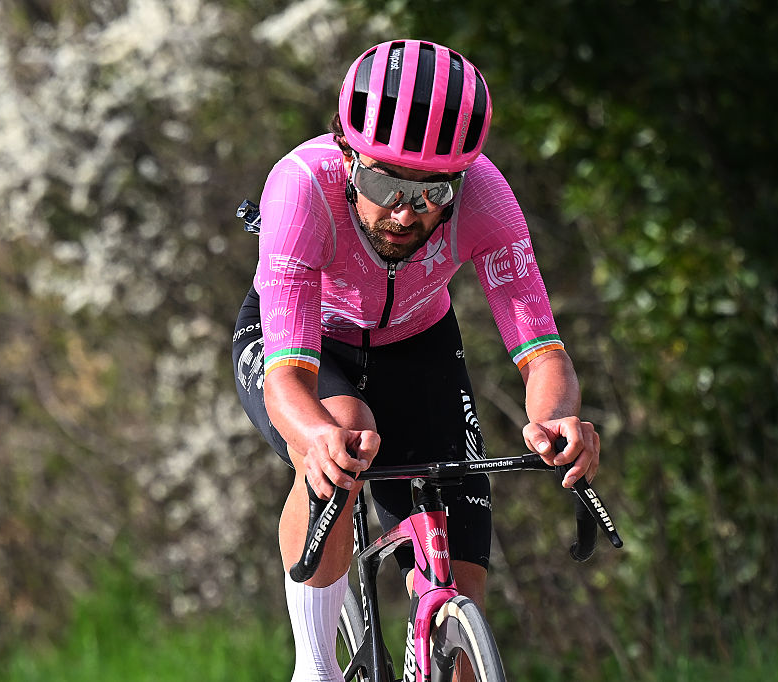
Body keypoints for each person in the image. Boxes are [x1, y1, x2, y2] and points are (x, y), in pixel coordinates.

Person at [232, 39, 600, 682]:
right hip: (307, 343)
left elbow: (543, 352)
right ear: (347, 155)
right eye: (383, 181)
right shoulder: (300, 186)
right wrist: (315, 436)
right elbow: (288, 378)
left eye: (434, 192)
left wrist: (557, 420)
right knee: (340, 428)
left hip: (418, 343)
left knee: (462, 584)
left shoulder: (487, 196)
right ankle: (313, 668)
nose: (406, 211)